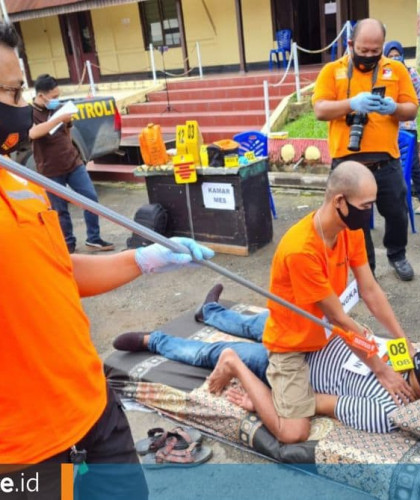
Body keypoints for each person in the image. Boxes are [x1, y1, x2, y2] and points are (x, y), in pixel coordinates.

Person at [0, 21, 214, 500]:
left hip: (93, 407)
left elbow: (58, 272)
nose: (20, 111)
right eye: (11, 95)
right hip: (22, 452)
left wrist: (148, 258)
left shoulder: (22, 181)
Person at [209, 161, 413, 444]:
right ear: (339, 201)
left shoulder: (349, 228)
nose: (370, 213)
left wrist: (403, 340)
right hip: (292, 344)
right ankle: (232, 362)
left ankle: (213, 314)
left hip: (325, 334)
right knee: (293, 433)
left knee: (250, 323)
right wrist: (381, 371)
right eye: (366, 206)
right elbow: (341, 319)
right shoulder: (302, 250)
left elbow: (370, 289)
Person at [113, 284, 420, 434]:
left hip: (292, 367)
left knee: (212, 353)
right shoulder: (409, 359)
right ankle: (209, 312)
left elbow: (317, 403)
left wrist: (265, 402)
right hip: (316, 339)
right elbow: (370, 337)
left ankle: (153, 340)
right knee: (257, 322)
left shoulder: (384, 412)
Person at [312, 18, 419, 281]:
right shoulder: (331, 71)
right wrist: (351, 103)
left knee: (396, 212)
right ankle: (366, 270)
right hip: (347, 166)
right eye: (363, 50)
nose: (369, 56)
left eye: (375, 50)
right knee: (354, 221)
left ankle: (397, 254)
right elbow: (320, 109)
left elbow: (412, 108)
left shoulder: (395, 70)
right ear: (350, 44)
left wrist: (394, 108)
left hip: (386, 162)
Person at [29, 73, 114, 253]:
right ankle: (68, 246)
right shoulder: (31, 113)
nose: (56, 100)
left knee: (90, 198)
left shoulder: (57, 109)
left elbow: (67, 132)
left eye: (58, 96)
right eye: (53, 97)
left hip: (73, 163)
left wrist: (65, 124)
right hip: (50, 170)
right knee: (60, 211)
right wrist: (59, 119)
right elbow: (33, 133)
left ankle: (94, 238)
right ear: (41, 95)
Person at [383, 40, 420, 215]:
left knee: (413, 163)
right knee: (391, 163)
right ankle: (397, 200)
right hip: (388, 125)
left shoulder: (412, 74)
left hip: (407, 125)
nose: (395, 59)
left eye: (398, 55)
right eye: (391, 56)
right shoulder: (384, 74)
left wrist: (406, 108)